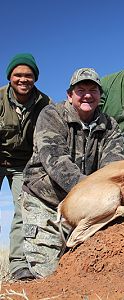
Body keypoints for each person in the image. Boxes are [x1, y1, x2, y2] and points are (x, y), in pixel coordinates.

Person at [21, 68, 124, 278]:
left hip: (86, 206)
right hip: (46, 201)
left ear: (100, 96)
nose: (87, 94)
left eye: (93, 90)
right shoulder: (51, 114)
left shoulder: (111, 126)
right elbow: (56, 161)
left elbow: (113, 169)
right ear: (70, 95)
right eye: (81, 90)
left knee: (92, 271)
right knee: (49, 275)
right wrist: (91, 193)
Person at [0, 53, 51, 280]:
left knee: (22, 211)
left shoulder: (45, 103)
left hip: (23, 164)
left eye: (28, 75)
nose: (23, 79)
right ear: (10, 77)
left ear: (35, 78)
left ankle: (19, 266)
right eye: (17, 75)